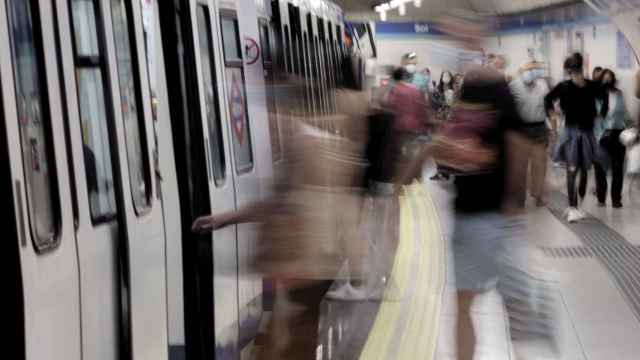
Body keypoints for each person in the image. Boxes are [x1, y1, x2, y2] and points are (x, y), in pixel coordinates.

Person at [545, 53, 608, 222]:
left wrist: (601, 114)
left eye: (578, 72)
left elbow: (605, 97)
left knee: (584, 170)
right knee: (572, 170)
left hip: (587, 133)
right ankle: (572, 206)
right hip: (571, 133)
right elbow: (548, 99)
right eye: (573, 73)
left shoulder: (592, 86)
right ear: (570, 73)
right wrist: (552, 113)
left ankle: (578, 205)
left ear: (581, 71)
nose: (576, 76)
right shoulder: (564, 86)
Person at [509, 61, 553, 207]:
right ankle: (519, 198)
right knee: (520, 166)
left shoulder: (543, 86)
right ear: (522, 71)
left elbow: (549, 107)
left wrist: (552, 128)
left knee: (539, 165)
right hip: (521, 130)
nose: (532, 72)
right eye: (530, 69)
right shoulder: (513, 86)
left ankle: (538, 195)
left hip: (540, 129)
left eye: (535, 69)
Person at [384, 67, 433, 182]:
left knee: (398, 152)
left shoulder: (395, 89)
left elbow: (389, 105)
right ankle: (410, 177)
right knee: (410, 152)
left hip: (398, 126)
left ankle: (397, 177)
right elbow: (423, 108)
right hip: (414, 127)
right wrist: (425, 124)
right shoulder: (416, 90)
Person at [594, 69, 634, 208]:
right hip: (602, 136)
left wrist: (631, 127)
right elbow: (594, 118)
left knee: (618, 168)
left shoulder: (619, 94)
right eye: (604, 78)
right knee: (600, 169)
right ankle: (601, 197)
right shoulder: (596, 96)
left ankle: (616, 198)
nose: (607, 80)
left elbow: (625, 113)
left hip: (618, 134)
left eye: (609, 78)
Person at [430, 70, 456, 181]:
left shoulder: (455, 90)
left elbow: (456, 106)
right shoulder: (437, 90)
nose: (445, 77)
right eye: (443, 75)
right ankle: (440, 171)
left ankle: (446, 172)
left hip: (450, 122)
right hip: (439, 120)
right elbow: (433, 103)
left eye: (448, 75)